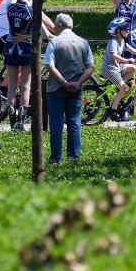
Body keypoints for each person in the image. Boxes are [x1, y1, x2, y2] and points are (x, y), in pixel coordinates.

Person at [44, 13, 92, 163]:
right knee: (74, 121)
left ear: (59, 25)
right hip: (76, 89)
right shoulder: (83, 42)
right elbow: (90, 67)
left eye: (55, 25)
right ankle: (74, 156)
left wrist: (64, 82)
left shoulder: (54, 42)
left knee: (56, 123)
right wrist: (78, 82)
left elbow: (49, 65)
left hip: (55, 89)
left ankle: (56, 158)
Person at [0, 0, 38, 129]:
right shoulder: (31, 11)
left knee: (12, 85)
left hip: (10, 47)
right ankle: (22, 119)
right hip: (26, 48)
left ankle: (11, 118)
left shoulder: (9, 8)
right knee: (26, 85)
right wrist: (26, 36)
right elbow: (39, 33)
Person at [102, 18, 136, 123]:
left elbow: (133, 50)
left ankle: (120, 87)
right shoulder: (113, 42)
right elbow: (114, 56)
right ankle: (112, 110)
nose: (128, 30)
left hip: (117, 68)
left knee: (133, 68)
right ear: (118, 31)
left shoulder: (122, 41)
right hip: (109, 69)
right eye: (125, 29)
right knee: (124, 88)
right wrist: (128, 60)